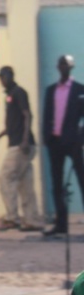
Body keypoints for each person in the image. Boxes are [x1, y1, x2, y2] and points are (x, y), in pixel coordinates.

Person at [0, 66, 44, 232]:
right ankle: (32, 219)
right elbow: (11, 124)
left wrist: (24, 140)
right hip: (22, 144)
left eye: (2, 77)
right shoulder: (9, 95)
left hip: (20, 145)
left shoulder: (18, 92)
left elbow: (27, 115)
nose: (1, 80)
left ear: (9, 76)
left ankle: (11, 218)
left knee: (5, 178)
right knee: (25, 184)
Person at [41, 54, 84, 237]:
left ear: (71, 67)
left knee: (82, 181)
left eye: (66, 64)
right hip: (55, 142)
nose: (63, 67)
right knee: (57, 184)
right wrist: (46, 137)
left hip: (73, 143)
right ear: (58, 67)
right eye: (61, 64)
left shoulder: (80, 90)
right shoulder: (51, 90)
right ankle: (61, 224)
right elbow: (46, 114)